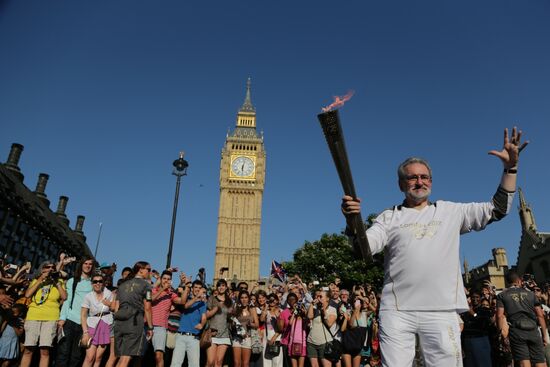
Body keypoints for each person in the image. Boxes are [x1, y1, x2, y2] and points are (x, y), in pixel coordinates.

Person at [341, 127, 527, 367]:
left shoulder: (451, 212)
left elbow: (498, 209)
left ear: (431, 181)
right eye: (412, 177)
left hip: (441, 310)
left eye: (424, 177)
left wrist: (510, 168)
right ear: (400, 184)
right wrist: (351, 223)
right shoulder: (388, 218)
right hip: (397, 311)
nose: (419, 182)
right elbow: (363, 251)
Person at [20, 260, 67, 367]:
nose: (50, 269)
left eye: (52, 267)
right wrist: (40, 279)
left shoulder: (58, 281)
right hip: (33, 316)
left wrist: (57, 283)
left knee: (45, 351)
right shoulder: (37, 280)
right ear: (42, 269)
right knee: (28, 349)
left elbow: (64, 297)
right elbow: (27, 295)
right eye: (47, 267)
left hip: (50, 318)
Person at [497, 271, 548, 367]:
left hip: (517, 331)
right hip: (533, 330)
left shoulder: (502, 295)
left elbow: (499, 316)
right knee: (540, 361)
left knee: (524, 362)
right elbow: (540, 315)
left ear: (507, 282)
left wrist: (501, 336)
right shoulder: (531, 294)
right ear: (519, 281)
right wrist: (544, 335)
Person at [113, 261, 153, 367]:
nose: (150, 272)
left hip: (119, 322)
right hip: (134, 322)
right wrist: (150, 327)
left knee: (121, 358)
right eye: (148, 269)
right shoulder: (146, 285)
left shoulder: (122, 285)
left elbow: (116, 307)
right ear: (140, 270)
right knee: (126, 359)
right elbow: (148, 308)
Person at [57, 257, 95, 367]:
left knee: (76, 356)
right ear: (81, 265)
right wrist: (62, 318)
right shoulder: (72, 281)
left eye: (90, 264)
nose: (88, 266)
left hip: (84, 324)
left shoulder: (94, 283)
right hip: (70, 320)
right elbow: (67, 301)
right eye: (85, 263)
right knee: (63, 353)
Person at [151, 270, 186, 367]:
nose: (166, 281)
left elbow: (182, 301)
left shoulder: (171, 294)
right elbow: (150, 299)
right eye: (164, 279)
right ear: (161, 280)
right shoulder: (152, 289)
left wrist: (186, 286)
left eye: (169, 279)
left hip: (160, 327)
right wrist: (162, 290)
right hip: (146, 325)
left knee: (159, 356)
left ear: (171, 281)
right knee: (140, 356)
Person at [170, 279, 207, 367]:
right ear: (192, 289)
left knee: (194, 364)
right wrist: (197, 297)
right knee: (176, 363)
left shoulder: (202, 303)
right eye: (195, 287)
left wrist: (202, 324)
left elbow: (204, 317)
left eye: (199, 288)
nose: (197, 289)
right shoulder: (185, 299)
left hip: (194, 337)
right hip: (181, 336)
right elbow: (186, 306)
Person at [81, 273, 115, 367]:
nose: (98, 283)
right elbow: (83, 315)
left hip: (106, 325)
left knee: (98, 358)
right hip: (92, 326)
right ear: (92, 283)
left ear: (103, 283)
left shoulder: (109, 294)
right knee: (89, 357)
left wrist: (109, 304)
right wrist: (85, 332)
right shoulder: (88, 296)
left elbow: (115, 309)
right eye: (95, 281)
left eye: (100, 281)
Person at [205, 279, 234, 367]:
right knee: (210, 361)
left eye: (223, 286)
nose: (221, 287)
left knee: (219, 362)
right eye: (219, 286)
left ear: (226, 287)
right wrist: (216, 308)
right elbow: (206, 315)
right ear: (217, 287)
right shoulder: (212, 299)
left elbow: (230, 317)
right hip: (213, 332)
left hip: (225, 334)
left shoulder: (230, 301)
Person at [306, 290, 337, 367]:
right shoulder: (314, 308)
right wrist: (312, 304)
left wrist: (323, 310)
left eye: (321, 296)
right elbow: (309, 316)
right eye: (317, 296)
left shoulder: (332, 309)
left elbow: (329, 323)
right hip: (311, 341)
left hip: (325, 343)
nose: (318, 298)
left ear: (327, 298)